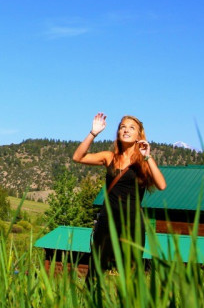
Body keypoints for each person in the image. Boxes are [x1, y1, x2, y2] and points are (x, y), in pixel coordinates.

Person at [72, 112, 166, 282]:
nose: (126, 130)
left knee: (131, 271)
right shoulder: (110, 157)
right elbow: (77, 157)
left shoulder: (143, 162)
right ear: (118, 133)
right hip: (107, 220)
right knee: (96, 270)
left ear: (139, 135)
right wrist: (93, 133)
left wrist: (148, 156)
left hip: (133, 222)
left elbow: (161, 185)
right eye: (122, 127)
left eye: (131, 127)